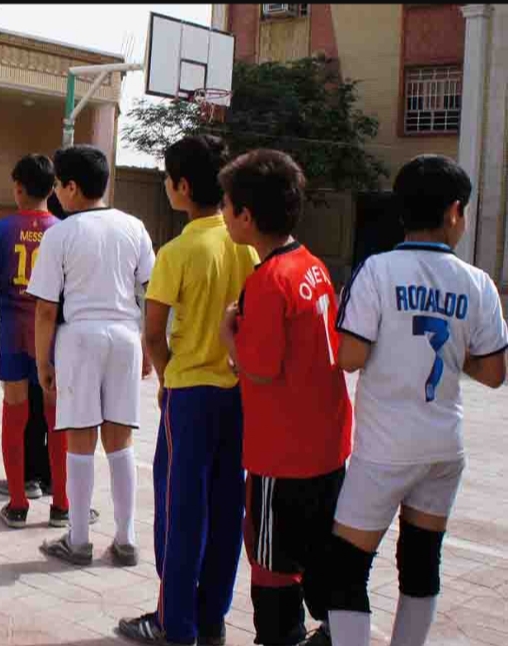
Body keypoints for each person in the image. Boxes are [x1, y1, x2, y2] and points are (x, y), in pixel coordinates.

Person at [326, 154, 507, 646]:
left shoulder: (376, 272)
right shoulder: (478, 283)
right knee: (422, 561)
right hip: (444, 450)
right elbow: (494, 373)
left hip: (385, 451)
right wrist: (449, 354)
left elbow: (349, 357)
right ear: (454, 212)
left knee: (347, 568)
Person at [118, 136, 257, 645]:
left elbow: (153, 332)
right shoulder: (247, 244)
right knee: (226, 509)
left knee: (180, 511)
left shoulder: (177, 251)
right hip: (238, 394)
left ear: (180, 185)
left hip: (191, 394)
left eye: (167, 178)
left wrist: (167, 374)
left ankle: (174, 623)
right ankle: (212, 617)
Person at [216, 149, 352, 646]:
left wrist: (229, 334)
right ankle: (335, 629)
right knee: (321, 550)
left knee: (272, 563)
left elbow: (259, 368)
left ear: (246, 216)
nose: (224, 216)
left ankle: (279, 635)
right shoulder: (312, 264)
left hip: (283, 455)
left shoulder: (267, 281)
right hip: (328, 444)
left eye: (227, 207)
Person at [28, 144, 155, 566]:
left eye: (58, 188)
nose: (55, 197)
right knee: (121, 440)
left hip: (79, 339)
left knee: (80, 436)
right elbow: (150, 291)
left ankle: (78, 539)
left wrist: (42, 361)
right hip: (125, 336)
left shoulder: (60, 234)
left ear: (72, 187)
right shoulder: (134, 227)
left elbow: (46, 308)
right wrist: (150, 346)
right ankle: (126, 538)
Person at [0, 153, 95, 528]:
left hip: (13, 335)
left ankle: (19, 503)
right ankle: (61, 503)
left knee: (14, 413)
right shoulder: (64, 229)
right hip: (55, 336)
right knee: (57, 418)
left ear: (19, 188)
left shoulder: (1, 230)